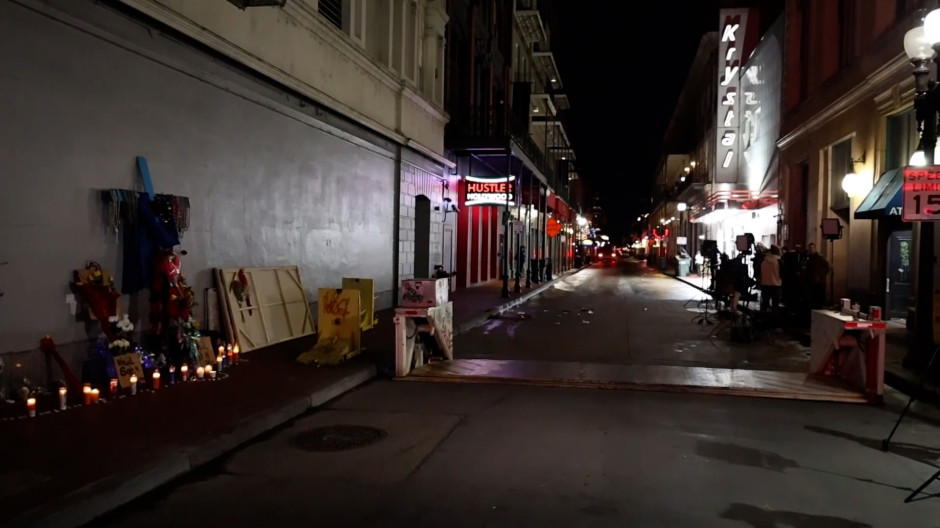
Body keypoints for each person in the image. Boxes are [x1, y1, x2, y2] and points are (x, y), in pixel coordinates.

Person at [805, 242, 830, 309]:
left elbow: (827, 267)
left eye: (812, 248)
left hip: (818, 281)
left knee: (818, 298)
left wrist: (820, 275)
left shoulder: (819, 258)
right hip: (810, 281)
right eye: (810, 248)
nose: (811, 249)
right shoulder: (808, 258)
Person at [760, 244, 782, 315]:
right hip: (776, 285)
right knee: (775, 305)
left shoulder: (764, 262)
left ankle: (762, 319)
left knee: (764, 303)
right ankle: (774, 321)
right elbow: (782, 274)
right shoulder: (779, 262)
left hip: (765, 285)